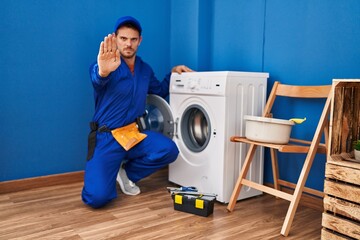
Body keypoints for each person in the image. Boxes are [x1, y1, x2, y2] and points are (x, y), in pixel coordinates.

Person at [82, 16, 193, 208]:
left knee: (169, 150)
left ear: (139, 41)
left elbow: (158, 90)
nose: (128, 44)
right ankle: (109, 172)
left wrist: (174, 72)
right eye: (123, 38)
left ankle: (127, 173)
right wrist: (103, 72)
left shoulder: (144, 69)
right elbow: (97, 79)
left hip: (132, 133)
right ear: (116, 39)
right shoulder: (105, 64)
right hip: (107, 137)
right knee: (96, 198)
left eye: (133, 39)